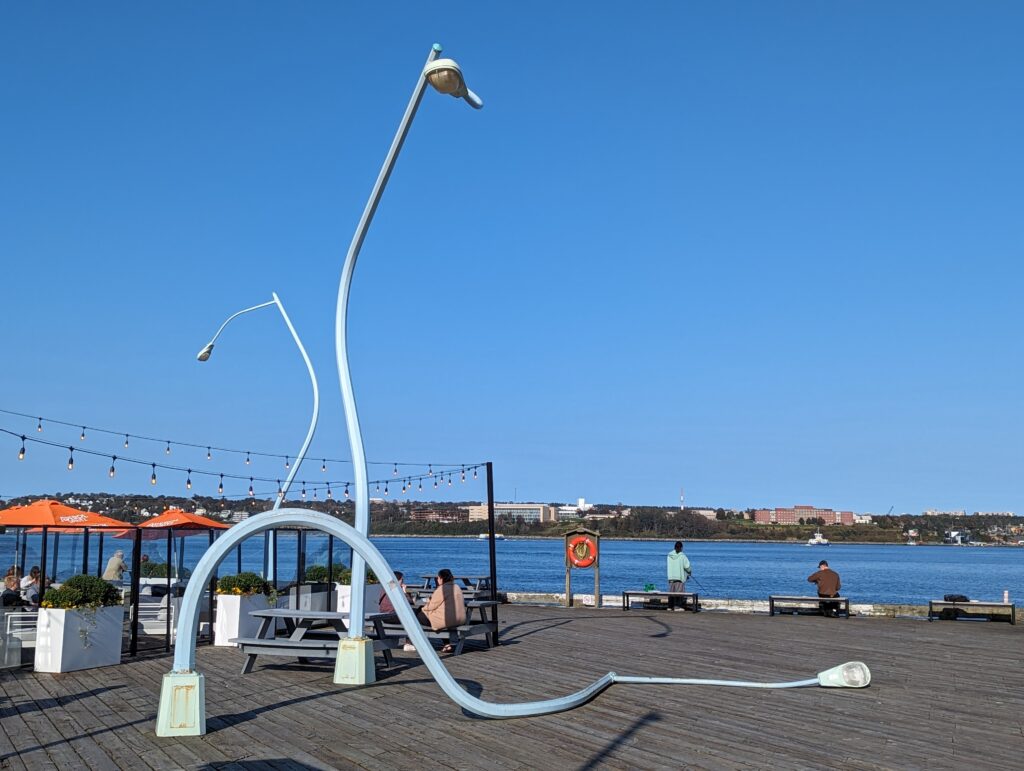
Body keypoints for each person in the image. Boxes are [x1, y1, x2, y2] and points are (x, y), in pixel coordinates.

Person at [417, 568, 466, 653]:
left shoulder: (442, 589)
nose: (437, 579)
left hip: (448, 619)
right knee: (437, 617)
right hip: (460, 619)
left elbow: (431, 606)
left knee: (418, 615)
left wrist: (422, 609)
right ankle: (447, 644)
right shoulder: (457, 587)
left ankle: (412, 642)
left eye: (438, 578)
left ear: (441, 578)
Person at [379, 570, 417, 651]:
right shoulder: (397, 590)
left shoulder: (386, 587)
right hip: (392, 616)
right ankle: (408, 643)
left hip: (383, 616)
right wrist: (405, 592)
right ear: (399, 580)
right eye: (402, 580)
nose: (403, 581)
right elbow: (409, 604)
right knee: (412, 616)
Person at [666, 541, 692, 611]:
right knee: (679, 592)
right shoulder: (682, 556)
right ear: (681, 548)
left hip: (671, 577)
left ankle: (670, 606)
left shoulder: (669, 555)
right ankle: (677, 606)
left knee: (671, 592)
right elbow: (687, 567)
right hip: (679, 577)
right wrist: (689, 572)